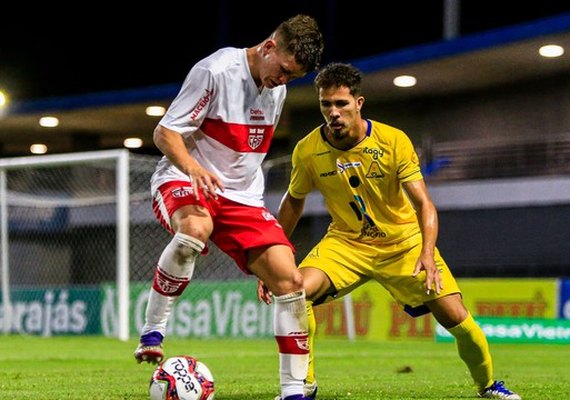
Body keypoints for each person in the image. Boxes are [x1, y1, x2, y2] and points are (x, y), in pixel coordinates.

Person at [258, 62, 522, 400]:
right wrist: (272, 258)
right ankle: (303, 384)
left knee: (459, 321)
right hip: (346, 244)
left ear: (359, 103)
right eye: (326, 105)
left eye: (341, 104)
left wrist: (426, 253)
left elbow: (424, 204)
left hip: (404, 244)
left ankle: (488, 386)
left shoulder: (393, 141)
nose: (333, 113)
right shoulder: (308, 150)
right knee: (295, 291)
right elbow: (292, 204)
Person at [134, 15, 324, 400]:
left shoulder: (277, 90)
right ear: (270, 46)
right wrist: (195, 169)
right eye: (284, 70)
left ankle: (292, 392)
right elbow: (164, 132)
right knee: (195, 229)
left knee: (290, 282)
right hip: (184, 177)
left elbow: (246, 160)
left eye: (293, 77)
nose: (283, 80)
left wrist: (266, 254)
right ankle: (153, 331)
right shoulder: (215, 70)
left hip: (241, 198)